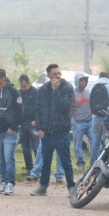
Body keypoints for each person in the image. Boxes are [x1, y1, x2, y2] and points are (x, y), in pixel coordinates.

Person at [31, 63, 76, 197]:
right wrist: (39, 128)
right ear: (48, 75)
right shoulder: (43, 90)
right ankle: (43, 186)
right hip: (46, 133)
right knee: (46, 161)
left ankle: (71, 187)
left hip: (61, 131)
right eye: (54, 74)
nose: (57, 76)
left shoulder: (67, 88)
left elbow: (65, 107)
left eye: (59, 74)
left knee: (65, 161)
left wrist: (56, 91)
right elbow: (38, 110)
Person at [0, 68, 22, 196]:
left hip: (9, 132)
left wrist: (13, 127)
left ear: (3, 78)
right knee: (0, 158)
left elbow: (19, 111)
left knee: (8, 157)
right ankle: (3, 181)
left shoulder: (13, 92)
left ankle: (10, 183)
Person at [89, 71, 109, 162]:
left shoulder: (92, 88)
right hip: (107, 118)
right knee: (105, 142)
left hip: (95, 118)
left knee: (95, 142)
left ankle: (92, 164)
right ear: (108, 77)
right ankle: (102, 162)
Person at [17, 74, 41, 179]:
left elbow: (40, 107)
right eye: (21, 87)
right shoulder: (19, 93)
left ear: (29, 83)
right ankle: (29, 168)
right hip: (23, 123)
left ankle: (38, 169)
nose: (23, 89)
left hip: (33, 123)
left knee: (36, 147)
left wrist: (36, 120)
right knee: (25, 148)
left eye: (25, 86)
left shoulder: (36, 93)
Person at [71, 74, 94, 171]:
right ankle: (81, 164)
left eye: (85, 80)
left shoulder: (88, 92)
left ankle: (94, 162)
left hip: (90, 122)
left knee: (95, 141)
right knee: (78, 145)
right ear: (77, 81)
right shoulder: (73, 95)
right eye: (82, 80)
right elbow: (70, 110)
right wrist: (73, 122)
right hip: (78, 123)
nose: (84, 82)